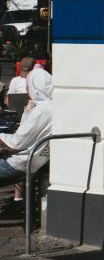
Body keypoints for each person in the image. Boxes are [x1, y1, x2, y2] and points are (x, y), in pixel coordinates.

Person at [0, 67, 52, 212]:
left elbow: (15, 144)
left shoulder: (42, 110)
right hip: (31, 161)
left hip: (19, 163)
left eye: (29, 84)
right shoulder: (45, 106)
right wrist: (28, 109)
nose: (27, 88)